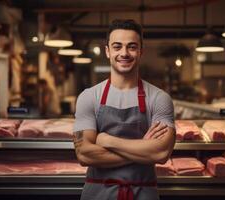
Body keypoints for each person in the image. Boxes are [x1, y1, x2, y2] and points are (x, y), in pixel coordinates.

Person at [73, 19, 175, 200]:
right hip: (98, 194)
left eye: (132, 47)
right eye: (117, 46)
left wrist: (107, 140)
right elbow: (84, 154)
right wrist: (144, 149)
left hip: (144, 193)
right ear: (107, 51)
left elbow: (161, 152)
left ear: (141, 51)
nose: (124, 53)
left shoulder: (159, 98)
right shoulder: (89, 97)